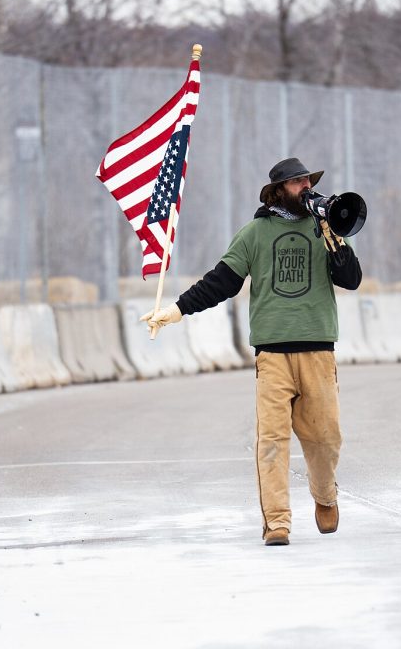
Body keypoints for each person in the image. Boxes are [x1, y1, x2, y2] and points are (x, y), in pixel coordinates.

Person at [142, 157, 362, 546]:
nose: (305, 188)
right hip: (272, 356)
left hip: (318, 352)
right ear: (278, 191)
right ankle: (277, 522)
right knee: (272, 441)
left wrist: (333, 237)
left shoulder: (325, 227)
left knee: (326, 439)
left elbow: (351, 279)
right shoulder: (255, 233)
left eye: (307, 181)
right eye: (297, 183)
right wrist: (177, 309)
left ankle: (325, 496)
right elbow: (221, 281)